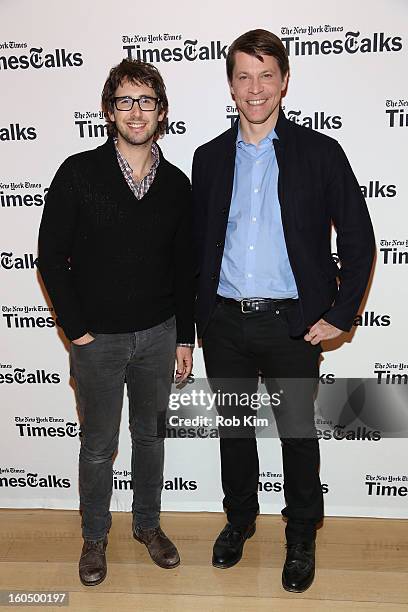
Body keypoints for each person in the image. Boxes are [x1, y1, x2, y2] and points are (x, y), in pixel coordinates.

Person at [192, 29, 375, 592]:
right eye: (244, 75)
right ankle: (239, 521)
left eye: (266, 74)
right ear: (229, 85)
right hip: (223, 322)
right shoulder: (208, 158)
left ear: (285, 81)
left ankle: (301, 536)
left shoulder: (319, 151)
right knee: (234, 432)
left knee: (297, 434)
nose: (255, 88)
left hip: (291, 324)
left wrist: (340, 313)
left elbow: (361, 238)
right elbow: (196, 246)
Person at [38, 59, 195, 586]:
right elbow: (49, 255)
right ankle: (95, 536)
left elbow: (184, 267)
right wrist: (77, 330)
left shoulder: (176, 184)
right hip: (97, 340)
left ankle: (147, 526)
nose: (135, 111)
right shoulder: (78, 172)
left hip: (159, 335)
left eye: (146, 101)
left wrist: (184, 338)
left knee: (150, 439)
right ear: (109, 110)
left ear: (162, 112)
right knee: (99, 445)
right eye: (125, 100)